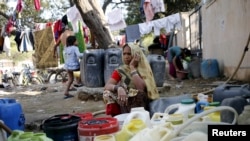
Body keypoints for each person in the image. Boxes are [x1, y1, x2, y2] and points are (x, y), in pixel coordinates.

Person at [103, 43, 159, 116]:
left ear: (136, 55)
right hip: (126, 101)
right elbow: (107, 85)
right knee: (107, 93)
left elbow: (141, 88)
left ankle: (139, 116)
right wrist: (118, 88)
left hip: (142, 102)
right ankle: (118, 116)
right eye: (124, 54)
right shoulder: (121, 70)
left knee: (139, 93)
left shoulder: (144, 69)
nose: (126, 57)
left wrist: (132, 67)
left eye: (129, 54)